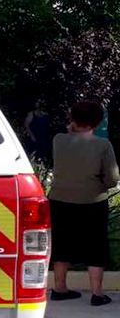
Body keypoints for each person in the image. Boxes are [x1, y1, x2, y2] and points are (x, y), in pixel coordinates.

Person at [48, 100, 120, 306]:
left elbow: (68, 133)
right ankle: (97, 293)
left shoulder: (58, 140)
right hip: (92, 200)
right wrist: (102, 185)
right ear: (97, 122)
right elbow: (113, 178)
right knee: (95, 245)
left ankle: (60, 288)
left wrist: (71, 126)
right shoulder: (103, 145)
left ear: (72, 118)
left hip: (59, 199)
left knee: (62, 242)